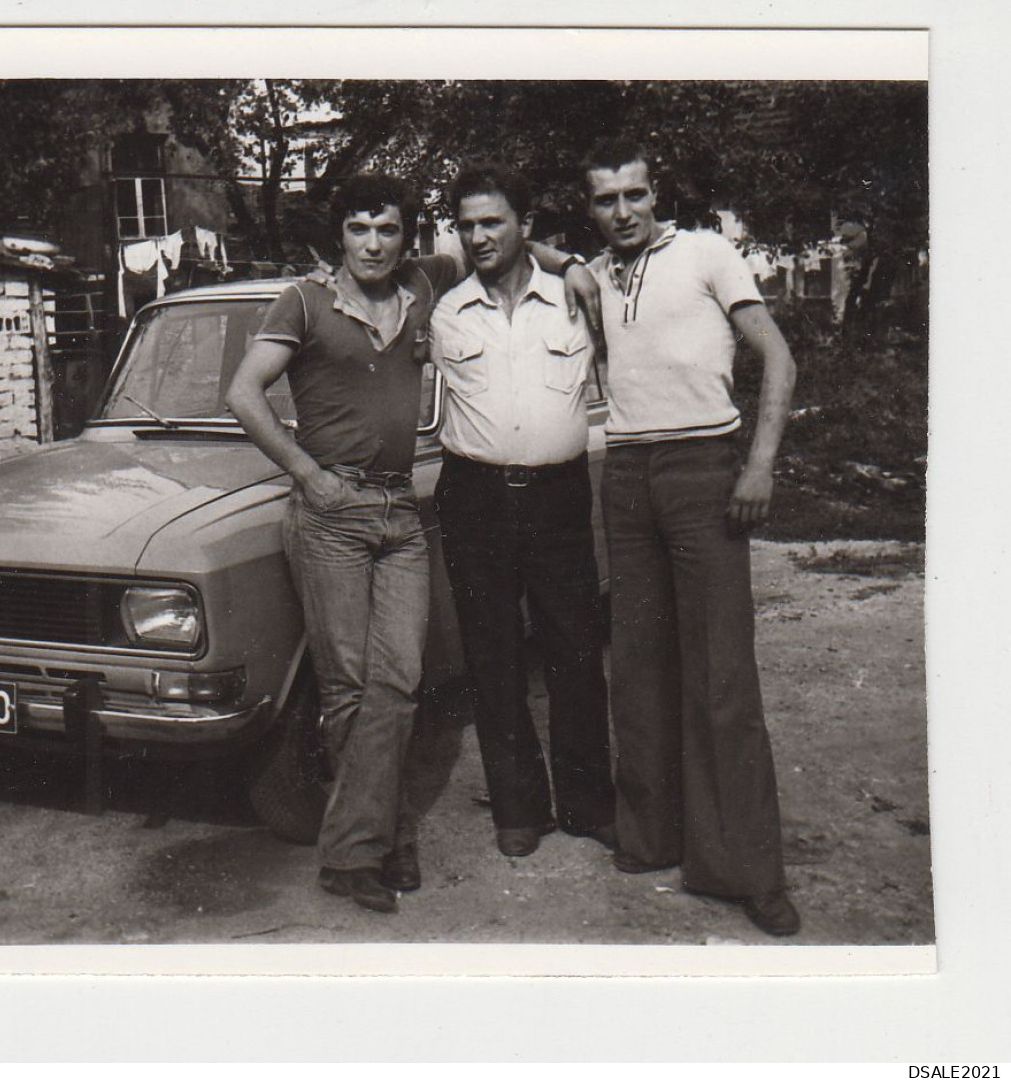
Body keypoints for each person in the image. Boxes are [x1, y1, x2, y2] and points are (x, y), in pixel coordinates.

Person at [227, 172, 601, 913]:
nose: (373, 243)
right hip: (330, 512)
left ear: (406, 237)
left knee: (399, 682)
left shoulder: (426, 285)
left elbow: (506, 243)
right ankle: (373, 843)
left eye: (388, 229)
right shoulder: (302, 300)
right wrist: (307, 472)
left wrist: (574, 263)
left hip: (399, 511)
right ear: (339, 234)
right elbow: (243, 394)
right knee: (350, 686)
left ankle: (369, 834)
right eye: (360, 229)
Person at [582, 137, 801, 937]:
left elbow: (777, 358)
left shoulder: (708, 252)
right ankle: (651, 837)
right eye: (605, 200)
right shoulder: (599, 272)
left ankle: (745, 868)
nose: (622, 212)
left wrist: (761, 465)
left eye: (633, 196)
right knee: (637, 666)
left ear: (655, 193)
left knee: (721, 674)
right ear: (590, 208)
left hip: (704, 465)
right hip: (628, 475)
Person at [430, 164, 617, 860]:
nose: (479, 236)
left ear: (524, 226)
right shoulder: (444, 307)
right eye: (467, 224)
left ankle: (589, 802)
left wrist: (565, 261)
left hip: (557, 495)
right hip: (473, 494)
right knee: (493, 655)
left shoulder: (575, 296)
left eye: (493, 222)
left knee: (574, 648)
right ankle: (518, 807)